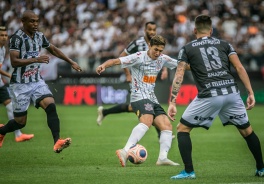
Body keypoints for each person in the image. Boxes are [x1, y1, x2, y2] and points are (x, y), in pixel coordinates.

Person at [168, 14, 264, 179]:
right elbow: (240, 68)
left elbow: (179, 74)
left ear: (194, 30)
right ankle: (261, 168)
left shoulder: (187, 48)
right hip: (232, 93)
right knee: (247, 131)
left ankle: (189, 171)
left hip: (210, 95)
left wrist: (172, 101)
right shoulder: (225, 44)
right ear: (211, 30)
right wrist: (250, 92)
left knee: (182, 129)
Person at [0, 10, 82, 153]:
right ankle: (2, 131)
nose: (35, 24)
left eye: (37, 21)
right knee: (20, 123)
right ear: (23, 22)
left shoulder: (39, 36)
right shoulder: (16, 38)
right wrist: (36, 59)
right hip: (20, 85)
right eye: (32, 21)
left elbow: (53, 49)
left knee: (50, 106)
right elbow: (14, 62)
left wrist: (70, 61)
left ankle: (57, 141)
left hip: (36, 81)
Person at [96, 35, 179, 167]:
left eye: (160, 50)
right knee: (147, 121)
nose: (158, 53)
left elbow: (182, 65)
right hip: (138, 96)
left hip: (152, 98)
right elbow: (116, 60)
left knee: (167, 126)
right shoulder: (138, 57)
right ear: (150, 46)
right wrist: (104, 65)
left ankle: (162, 158)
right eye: (155, 49)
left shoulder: (163, 59)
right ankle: (125, 151)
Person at [96, 22, 169, 138]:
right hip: (137, 80)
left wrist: (165, 70)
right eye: (149, 29)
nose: (152, 32)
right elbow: (122, 56)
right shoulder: (137, 43)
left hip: (149, 80)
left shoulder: (157, 43)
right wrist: (127, 74)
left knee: (134, 107)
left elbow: (161, 57)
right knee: (147, 106)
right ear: (145, 30)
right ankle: (161, 132)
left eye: (154, 30)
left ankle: (105, 112)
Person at [0, 26, 34, 143]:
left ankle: (18, 135)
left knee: (10, 107)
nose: (4, 38)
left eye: (5, 35)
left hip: (0, 84)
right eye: (1, 35)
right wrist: (8, 76)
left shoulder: (3, 49)